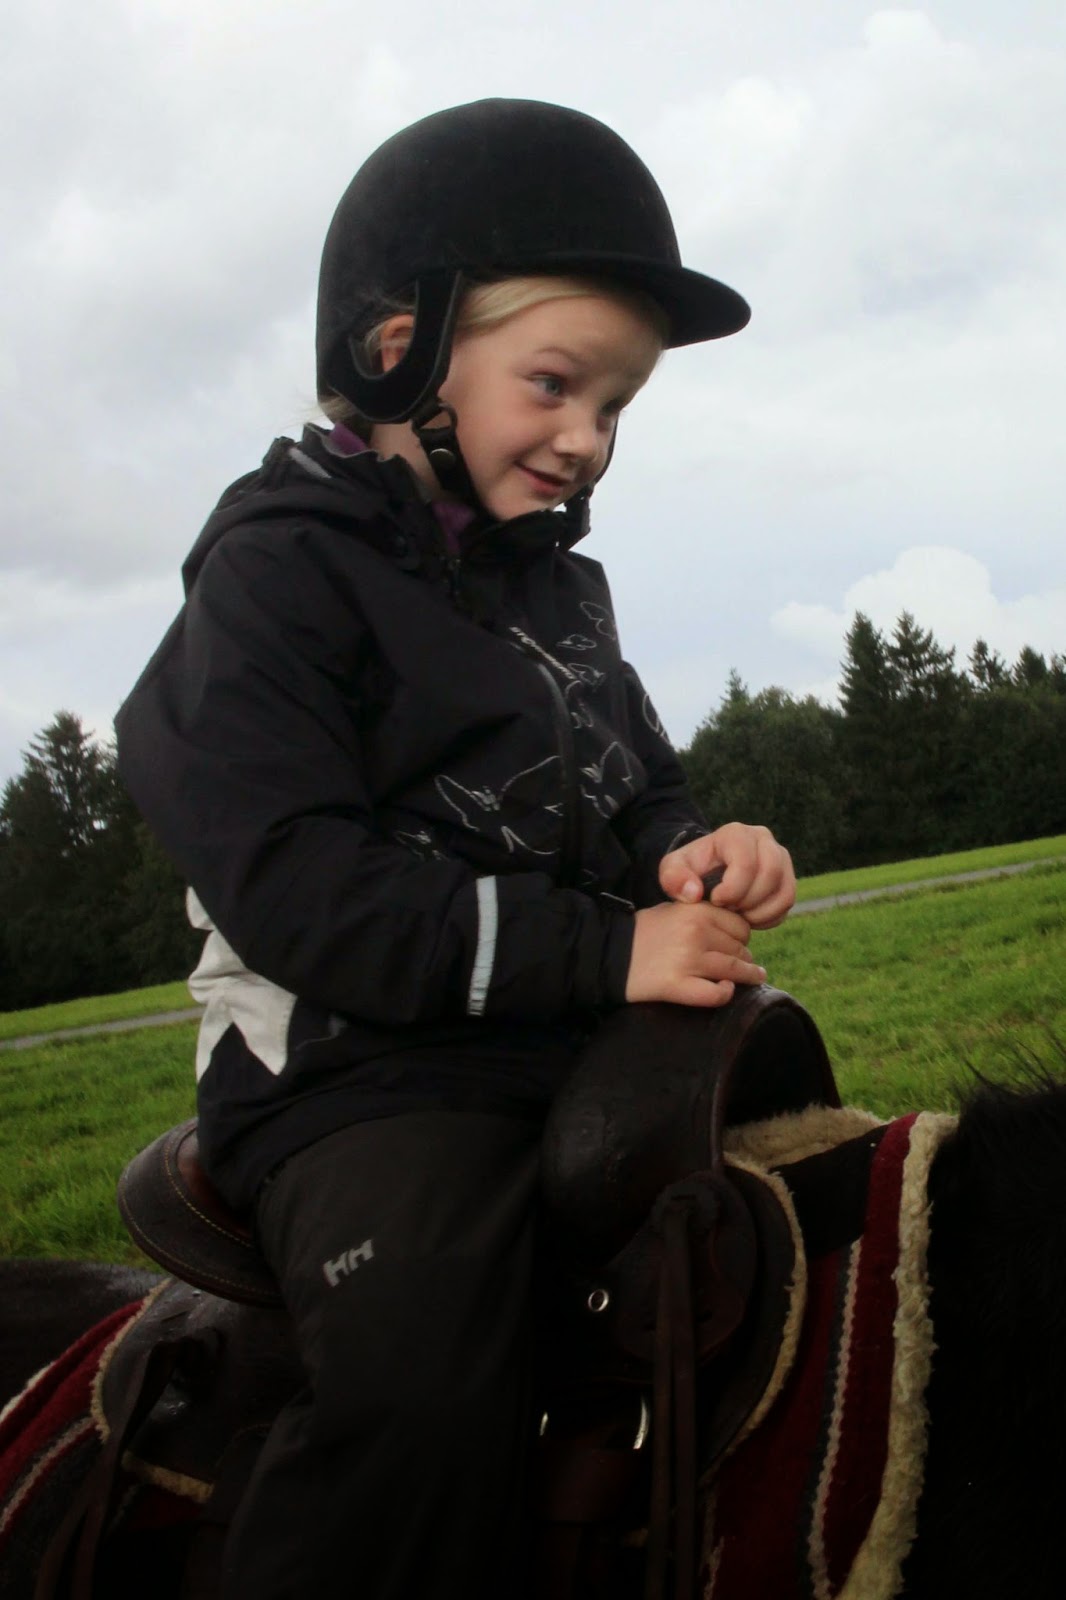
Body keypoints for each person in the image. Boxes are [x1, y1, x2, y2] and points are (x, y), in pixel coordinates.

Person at [115, 98, 795, 1600]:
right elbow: (301, 889)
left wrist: (693, 854)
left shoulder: (559, 591)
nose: (586, 439)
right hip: (364, 1076)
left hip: (563, 1031)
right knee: (424, 1396)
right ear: (396, 349)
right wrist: (609, 946)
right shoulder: (276, 579)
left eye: (616, 407)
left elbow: (636, 786)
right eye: (555, 384)